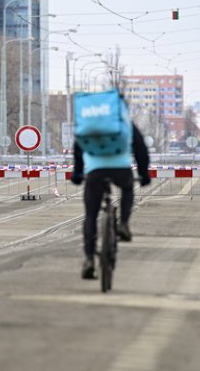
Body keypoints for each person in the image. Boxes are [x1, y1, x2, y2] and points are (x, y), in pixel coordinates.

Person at [70, 102, 150, 280]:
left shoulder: (89, 125)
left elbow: (78, 147)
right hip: (121, 169)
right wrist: (144, 174)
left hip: (95, 171)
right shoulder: (124, 122)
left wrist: (77, 173)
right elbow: (141, 149)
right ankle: (123, 224)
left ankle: (89, 260)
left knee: (90, 215)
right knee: (127, 188)